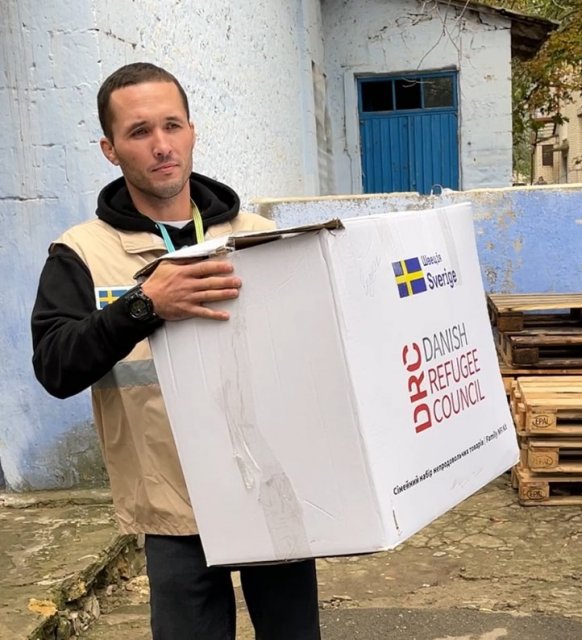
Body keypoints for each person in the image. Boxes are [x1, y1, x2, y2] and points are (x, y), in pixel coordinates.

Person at [31, 62, 322, 640]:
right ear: (110, 149)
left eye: (172, 126)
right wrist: (143, 306)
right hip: (172, 510)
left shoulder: (257, 235)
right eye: (139, 132)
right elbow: (56, 367)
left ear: (192, 132)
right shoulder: (82, 253)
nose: (161, 145)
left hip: (273, 486)